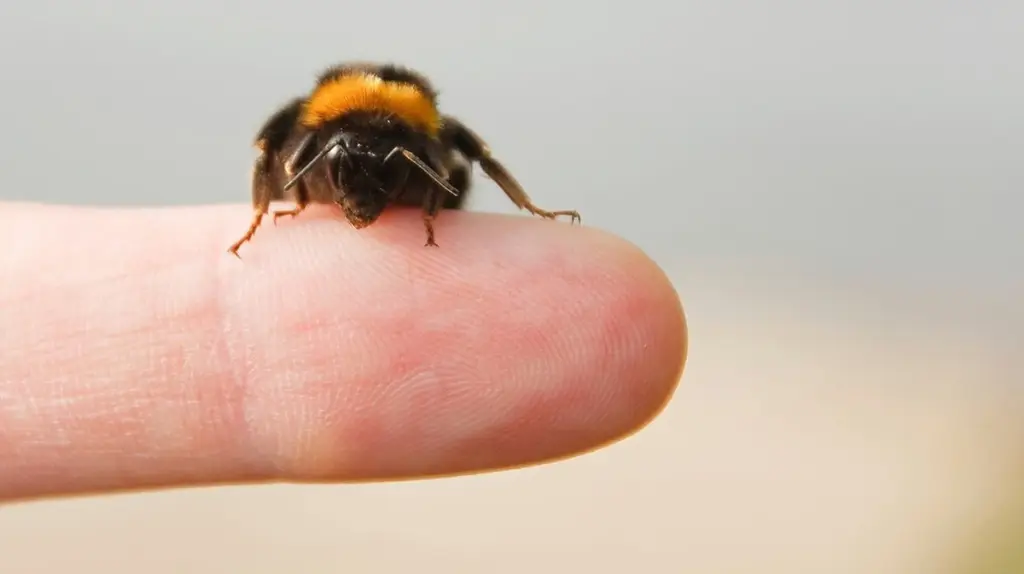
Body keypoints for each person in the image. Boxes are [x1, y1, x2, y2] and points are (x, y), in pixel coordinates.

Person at [0, 202, 687, 502]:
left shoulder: (420, 148)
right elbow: (276, 145)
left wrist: (520, 207)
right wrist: (264, 215)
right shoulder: (314, 144)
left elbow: (460, 156)